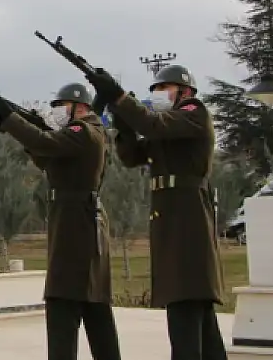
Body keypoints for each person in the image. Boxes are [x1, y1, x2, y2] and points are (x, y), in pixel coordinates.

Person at [87, 64, 227, 360]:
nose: (158, 94)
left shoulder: (193, 112)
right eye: (155, 90)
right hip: (172, 216)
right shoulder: (169, 124)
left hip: (188, 215)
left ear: (184, 91)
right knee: (193, 308)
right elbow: (132, 156)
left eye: (164, 89)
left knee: (185, 304)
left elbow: (151, 125)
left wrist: (119, 95)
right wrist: (123, 124)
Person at [0, 83, 122, 360]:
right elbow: (47, 157)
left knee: (64, 302)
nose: (58, 111)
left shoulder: (84, 131)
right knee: (92, 306)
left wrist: (11, 119)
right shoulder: (82, 134)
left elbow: (45, 144)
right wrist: (23, 126)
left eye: (62, 106)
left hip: (79, 224)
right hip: (74, 222)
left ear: (81, 107)